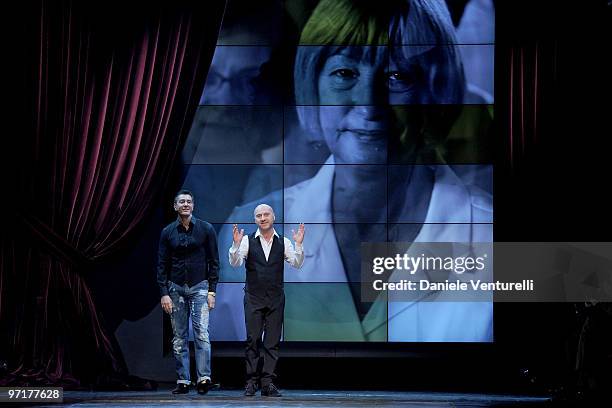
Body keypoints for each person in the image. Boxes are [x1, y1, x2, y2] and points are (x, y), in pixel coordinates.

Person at [218, 0, 492, 343]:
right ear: (312, 86)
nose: (370, 104)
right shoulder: (245, 233)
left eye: (397, 76)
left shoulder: (492, 238)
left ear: (434, 92)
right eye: (345, 73)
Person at [228, 204, 305, 397]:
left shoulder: (284, 242)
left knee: (272, 343)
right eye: (258, 216)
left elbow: (296, 263)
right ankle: (251, 382)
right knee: (252, 340)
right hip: (253, 298)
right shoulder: (247, 240)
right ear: (255, 220)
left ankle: (267, 383)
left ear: (273, 217)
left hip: (276, 299)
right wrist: (236, 245)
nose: (262, 218)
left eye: (266, 215)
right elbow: (235, 263)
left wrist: (298, 244)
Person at [157, 190, 219, 394]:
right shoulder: (167, 232)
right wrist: (164, 292)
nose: (185, 204)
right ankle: (183, 380)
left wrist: (212, 291)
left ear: (193, 206)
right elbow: (162, 265)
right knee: (179, 336)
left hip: (200, 287)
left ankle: (204, 378)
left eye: (189, 201)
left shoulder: (206, 229)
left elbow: (214, 262)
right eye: (181, 201)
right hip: (175, 289)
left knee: (202, 334)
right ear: (175, 206)